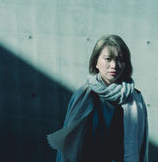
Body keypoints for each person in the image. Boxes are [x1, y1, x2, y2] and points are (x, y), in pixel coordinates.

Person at [47, 34, 148, 162]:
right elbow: (69, 145)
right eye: (108, 59)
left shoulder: (135, 98)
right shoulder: (83, 95)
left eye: (120, 60)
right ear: (96, 62)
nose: (114, 65)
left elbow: (142, 146)